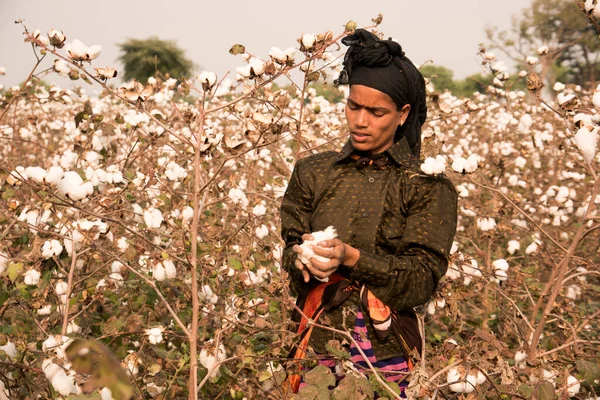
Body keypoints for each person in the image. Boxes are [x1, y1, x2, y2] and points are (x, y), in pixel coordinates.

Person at [280, 29, 458, 396]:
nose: (360, 122)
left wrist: (351, 258)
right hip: (317, 342)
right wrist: (303, 260)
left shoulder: (426, 185)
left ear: (402, 113)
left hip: (387, 352)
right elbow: (290, 253)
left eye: (376, 112)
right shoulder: (314, 171)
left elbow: (421, 282)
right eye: (353, 106)